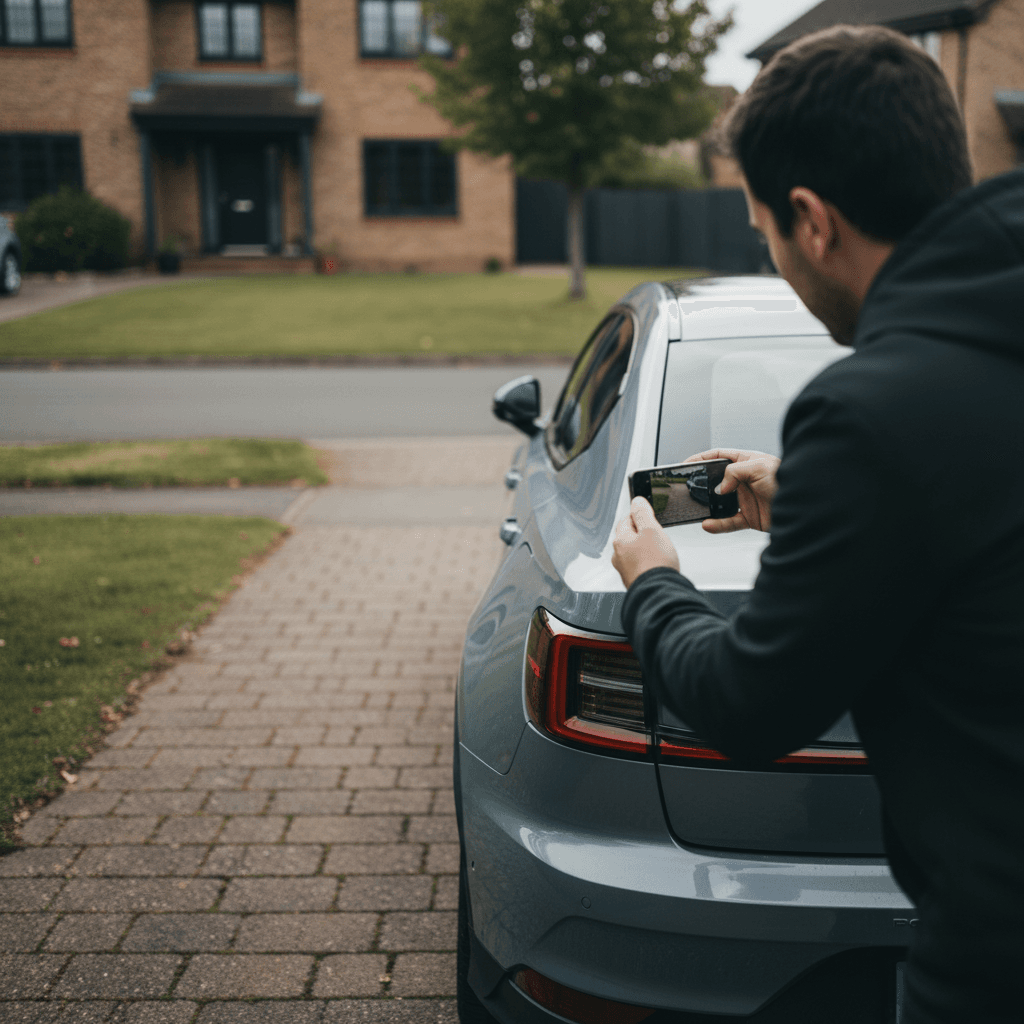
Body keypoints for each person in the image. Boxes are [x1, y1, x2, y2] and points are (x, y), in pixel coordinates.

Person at [610, 24, 1023, 1024]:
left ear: (810, 219)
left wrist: (652, 584)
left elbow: (753, 704)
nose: (777, 258)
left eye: (763, 233)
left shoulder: (865, 409)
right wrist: (819, 497)